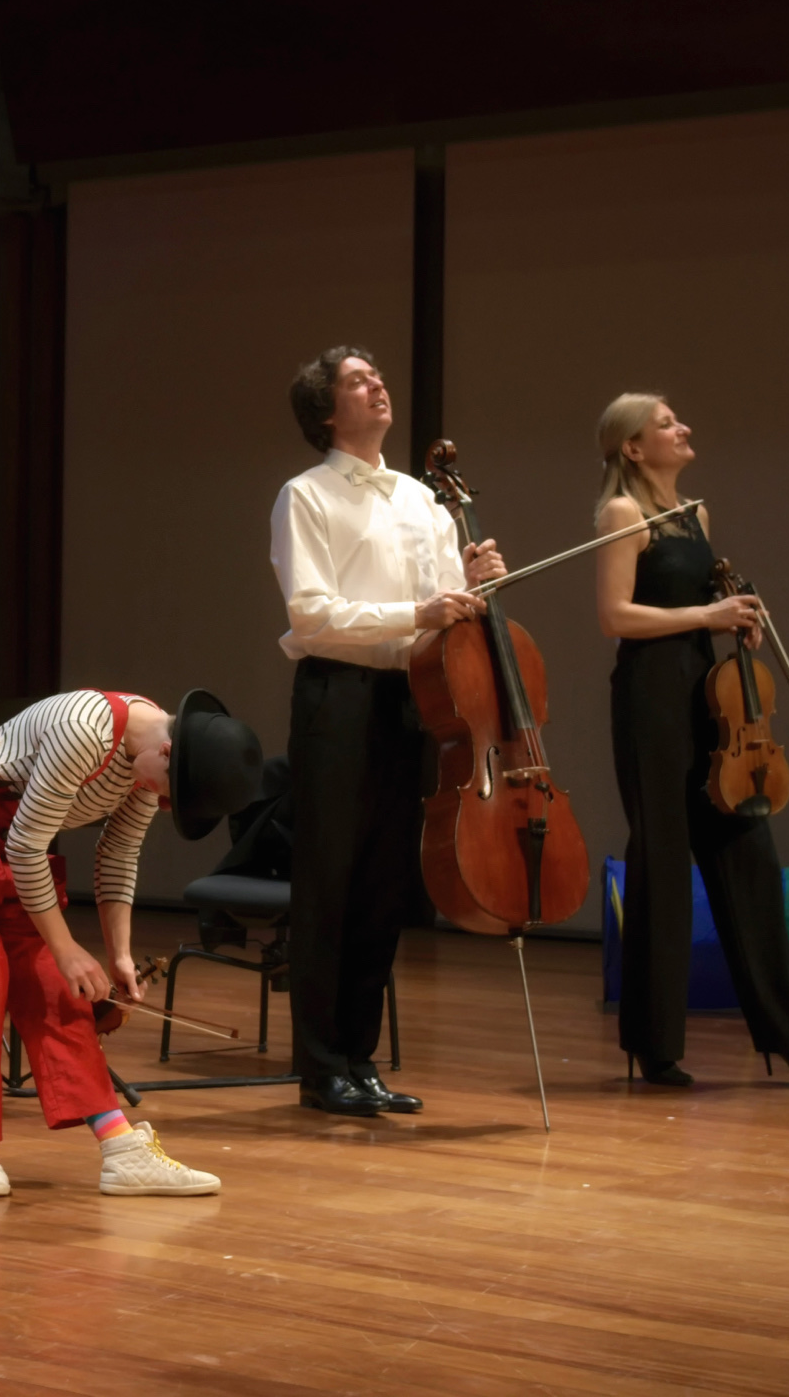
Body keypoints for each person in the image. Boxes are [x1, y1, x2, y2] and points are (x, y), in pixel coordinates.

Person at [0, 688, 264, 1196]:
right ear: (167, 752)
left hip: (8, 838)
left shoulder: (149, 761)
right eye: (172, 793)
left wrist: (120, 955)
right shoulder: (85, 730)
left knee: (57, 989)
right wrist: (66, 950)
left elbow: (118, 855)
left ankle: (122, 1150)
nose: (164, 804)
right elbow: (26, 847)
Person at [268, 346, 504, 1117]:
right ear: (327, 411)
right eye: (357, 380)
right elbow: (312, 615)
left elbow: (444, 605)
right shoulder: (304, 496)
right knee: (330, 881)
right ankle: (319, 1067)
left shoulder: (421, 499)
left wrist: (473, 584)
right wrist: (417, 612)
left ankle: (360, 1060)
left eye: (376, 376)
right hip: (336, 696)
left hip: (411, 698)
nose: (377, 385)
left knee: (383, 885)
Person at [593, 393, 789, 1086]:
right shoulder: (622, 515)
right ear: (633, 447)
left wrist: (736, 621)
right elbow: (615, 617)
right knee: (663, 861)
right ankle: (656, 1046)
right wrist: (707, 613)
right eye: (666, 423)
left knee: (747, 852)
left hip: (710, 694)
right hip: (651, 697)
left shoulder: (695, 515)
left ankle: (788, 1032)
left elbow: (699, 609)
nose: (683, 428)